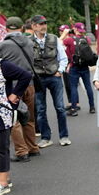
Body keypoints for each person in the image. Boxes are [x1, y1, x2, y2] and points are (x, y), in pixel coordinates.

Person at [0, 41, 31, 195]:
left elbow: (25, 75)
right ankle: (2, 178)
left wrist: (15, 94)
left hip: (0, 113)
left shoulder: (1, 65)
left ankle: (4, 183)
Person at [0, 17, 40, 162]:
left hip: (13, 86)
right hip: (29, 83)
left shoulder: (3, 45)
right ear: (22, 28)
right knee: (30, 118)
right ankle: (33, 148)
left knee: (14, 120)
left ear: (6, 29)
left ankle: (21, 151)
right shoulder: (30, 42)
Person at [31, 15, 71, 148]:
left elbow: (63, 58)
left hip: (54, 76)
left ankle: (64, 136)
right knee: (41, 109)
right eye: (40, 24)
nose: (43, 26)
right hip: (38, 78)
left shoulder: (54, 39)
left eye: (44, 23)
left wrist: (60, 71)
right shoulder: (28, 41)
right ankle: (45, 137)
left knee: (60, 107)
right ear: (33, 26)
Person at [63, 22, 96, 115]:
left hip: (74, 66)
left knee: (73, 87)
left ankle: (74, 108)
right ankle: (92, 107)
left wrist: (65, 33)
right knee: (88, 86)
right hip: (85, 67)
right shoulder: (87, 39)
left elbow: (60, 42)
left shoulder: (69, 40)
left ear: (75, 29)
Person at [58, 24, 74, 111]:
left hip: (69, 64)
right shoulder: (62, 41)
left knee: (71, 85)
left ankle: (74, 103)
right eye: (60, 31)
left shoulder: (69, 40)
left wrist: (70, 64)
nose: (60, 32)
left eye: (62, 31)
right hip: (64, 65)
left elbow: (72, 54)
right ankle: (71, 101)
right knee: (67, 85)